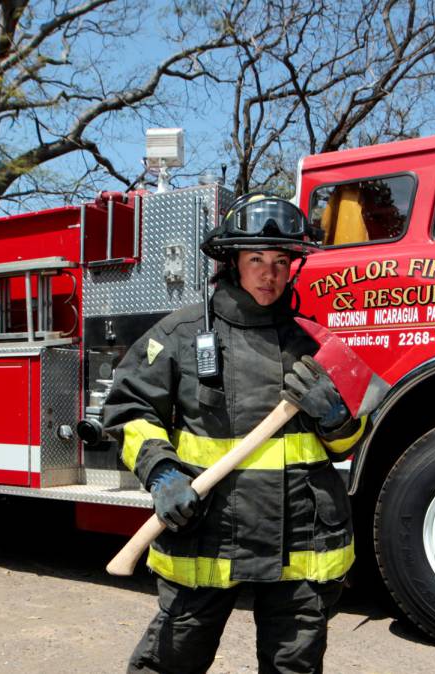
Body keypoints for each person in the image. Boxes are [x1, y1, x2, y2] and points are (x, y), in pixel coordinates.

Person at [103, 193, 376, 673]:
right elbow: (130, 411)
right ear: (232, 262)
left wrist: (336, 418)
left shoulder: (315, 343)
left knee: (293, 666)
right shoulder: (181, 335)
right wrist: (163, 472)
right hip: (206, 534)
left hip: (301, 543)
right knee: (171, 661)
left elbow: (351, 442)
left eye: (280, 261)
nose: (270, 274)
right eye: (256, 260)